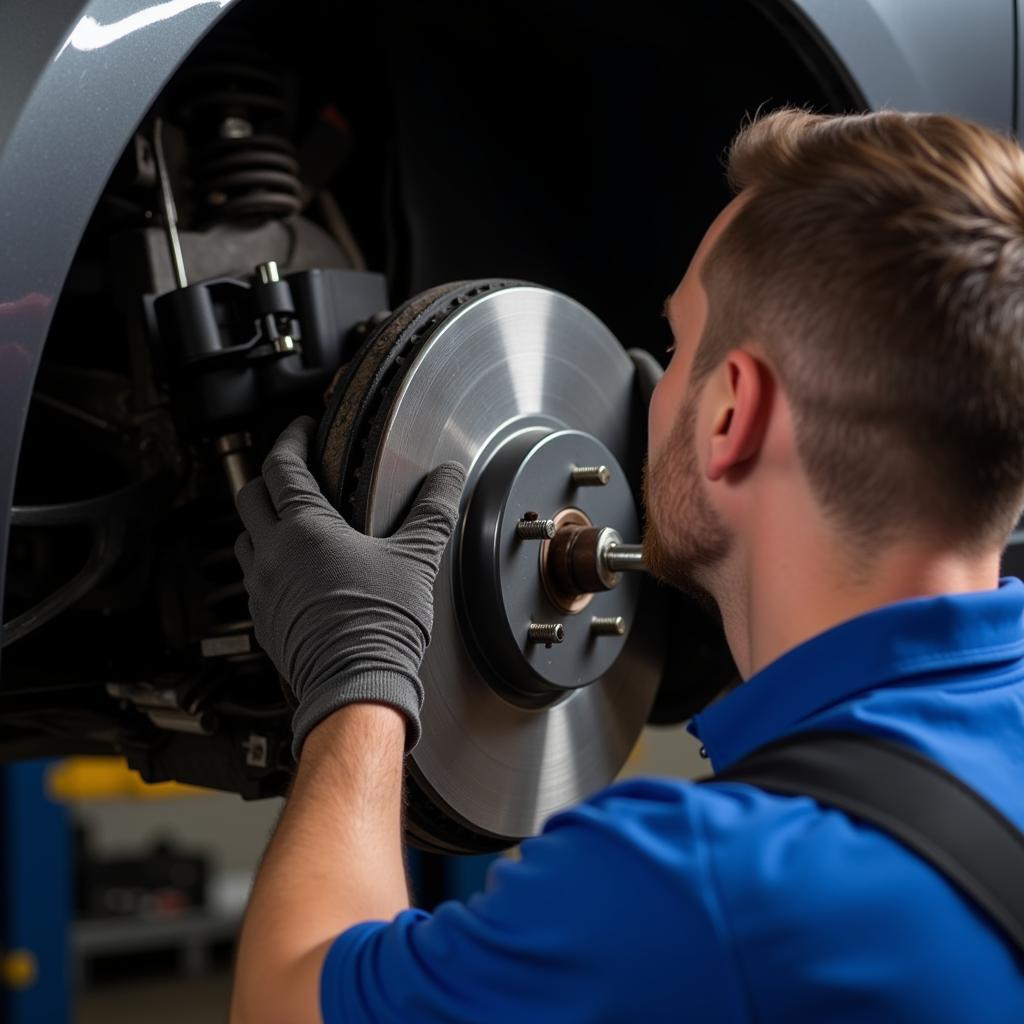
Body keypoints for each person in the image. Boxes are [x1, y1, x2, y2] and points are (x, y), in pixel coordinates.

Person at [228, 109, 1024, 1023]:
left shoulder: (696, 885)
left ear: (731, 419)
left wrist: (359, 675)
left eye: (681, 349)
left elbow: (284, 998)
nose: (644, 394)